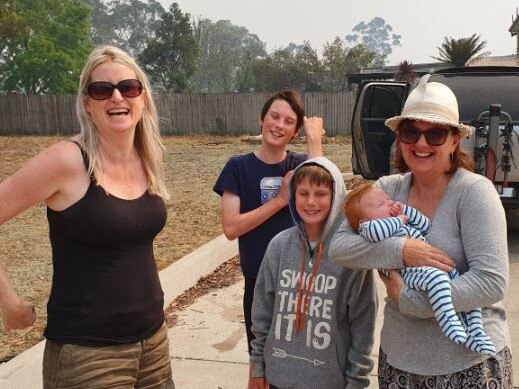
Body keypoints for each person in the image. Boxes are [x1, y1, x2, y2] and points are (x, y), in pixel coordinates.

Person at [0, 45, 174, 388]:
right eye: (101, 89)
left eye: (128, 87)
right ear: (87, 103)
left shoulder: (146, 157)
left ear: (142, 97)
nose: (116, 96)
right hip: (88, 357)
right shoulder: (68, 160)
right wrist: (9, 303)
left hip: (153, 343)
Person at [330, 81, 513, 388]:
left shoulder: (474, 193)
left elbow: (491, 282)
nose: (422, 143)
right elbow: (339, 246)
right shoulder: (389, 189)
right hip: (400, 362)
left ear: (455, 141)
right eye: (411, 132)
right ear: (400, 139)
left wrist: (410, 300)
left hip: (469, 364)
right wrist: (403, 250)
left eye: (436, 133)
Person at [213, 90, 324, 356]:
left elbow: (325, 203)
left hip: (298, 280)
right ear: (261, 119)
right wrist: (278, 201)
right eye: (274, 117)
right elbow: (231, 228)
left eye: (289, 122)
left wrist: (315, 140)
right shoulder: (238, 167)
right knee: (260, 360)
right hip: (258, 282)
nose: (279, 125)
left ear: (295, 132)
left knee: (302, 360)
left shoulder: (300, 165)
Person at [249, 157, 377, 389]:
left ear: (336, 197)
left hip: (330, 382)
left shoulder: (350, 254)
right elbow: (262, 311)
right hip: (279, 378)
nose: (310, 202)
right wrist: (258, 363)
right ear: (292, 196)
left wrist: (357, 379)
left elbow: (363, 324)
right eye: (303, 193)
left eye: (320, 194)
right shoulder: (279, 246)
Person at [344, 182, 496, 356]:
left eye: (388, 200)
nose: (389, 204)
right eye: (380, 205)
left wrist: (405, 211)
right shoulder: (369, 227)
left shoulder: (400, 222)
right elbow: (376, 234)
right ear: (364, 219)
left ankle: (476, 332)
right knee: (437, 280)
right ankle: (448, 320)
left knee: (467, 289)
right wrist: (398, 219)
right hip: (408, 272)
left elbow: (426, 226)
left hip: (429, 266)